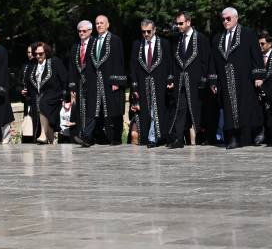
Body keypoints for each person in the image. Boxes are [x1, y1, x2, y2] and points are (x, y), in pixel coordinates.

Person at [211, 8, 264, 150]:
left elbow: (256, 55)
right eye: (223, 19)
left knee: (248, 106)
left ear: (236, 18)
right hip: (226, 79)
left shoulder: (248, 34)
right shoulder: (218, 38)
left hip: (244, 77)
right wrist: (213, 80)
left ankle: (256, 130)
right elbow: (213, 61)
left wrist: (258, 75)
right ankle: (233, 138)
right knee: (228, 109)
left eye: (228, 18)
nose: (225, 21)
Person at [167, 11, 212, 148]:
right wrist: (172, 78)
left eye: (181, 23)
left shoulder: (201, 38)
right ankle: (179, 139)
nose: (179, 26)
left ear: (188, 22)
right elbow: (174, 61)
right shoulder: (178, 40)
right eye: (177, 23)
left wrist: (206, 79)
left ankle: (202, 137)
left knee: (198, 109)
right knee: (180, 110)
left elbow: (206, 60)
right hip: (181, 81)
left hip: (196, 81)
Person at [129, 19, 172, 147]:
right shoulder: (137, 44)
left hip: (159, 82)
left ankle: (155, 137)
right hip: (143, 83)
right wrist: (135, 85)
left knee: (157, 110)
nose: (146, 34)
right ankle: (148, 137)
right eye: (143, 32)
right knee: (146, 111)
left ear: (154, 30)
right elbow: (133, 66)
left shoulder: (164, 43)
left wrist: (170, 79)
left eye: (148, 31)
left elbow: (169, 62)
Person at [90, 15, 128, 144]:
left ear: (108, 25)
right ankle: (100, 137)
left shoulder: (114, 40)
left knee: (113, 109)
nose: (99, 25)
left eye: (101, 23)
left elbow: (118, 60)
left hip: (110, 80)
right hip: (97, 81)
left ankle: (115, 138)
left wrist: (116, 80)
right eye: (97, 23)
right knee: (99, 109)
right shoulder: (93, 40)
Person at [25, 42, 67, 145]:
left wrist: (66, 95)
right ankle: (51, 142)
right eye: (36, 54)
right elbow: (26, 82)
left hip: (54, 94)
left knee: (44, 103)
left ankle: (43, 134)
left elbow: (64, 78)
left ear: (46, 52)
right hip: (36, 96)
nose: (38, 56)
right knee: (41, 105)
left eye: (41, 54)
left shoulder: (55, 62)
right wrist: (24, 91)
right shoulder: (32, 64)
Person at [67, 20, 98, 147]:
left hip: (93, 82)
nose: (81, 33)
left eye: (84, 31)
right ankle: (84, 136)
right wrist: (72, 85)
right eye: (79, 31)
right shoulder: (75, 47)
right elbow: (72, 67)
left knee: (92, 109)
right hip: (80, 83)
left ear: (90, 31)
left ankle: (87, 135)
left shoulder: (95, 43)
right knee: (81, 110)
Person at [18, 44, 39, 142]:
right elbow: (18, 83)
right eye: (28, 52)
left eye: (32, 52)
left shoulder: (41, 65)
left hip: (38, 99)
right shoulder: (25, 66)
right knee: (28, 122)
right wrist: (20, 90)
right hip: (27, 100)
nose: (30, 54)